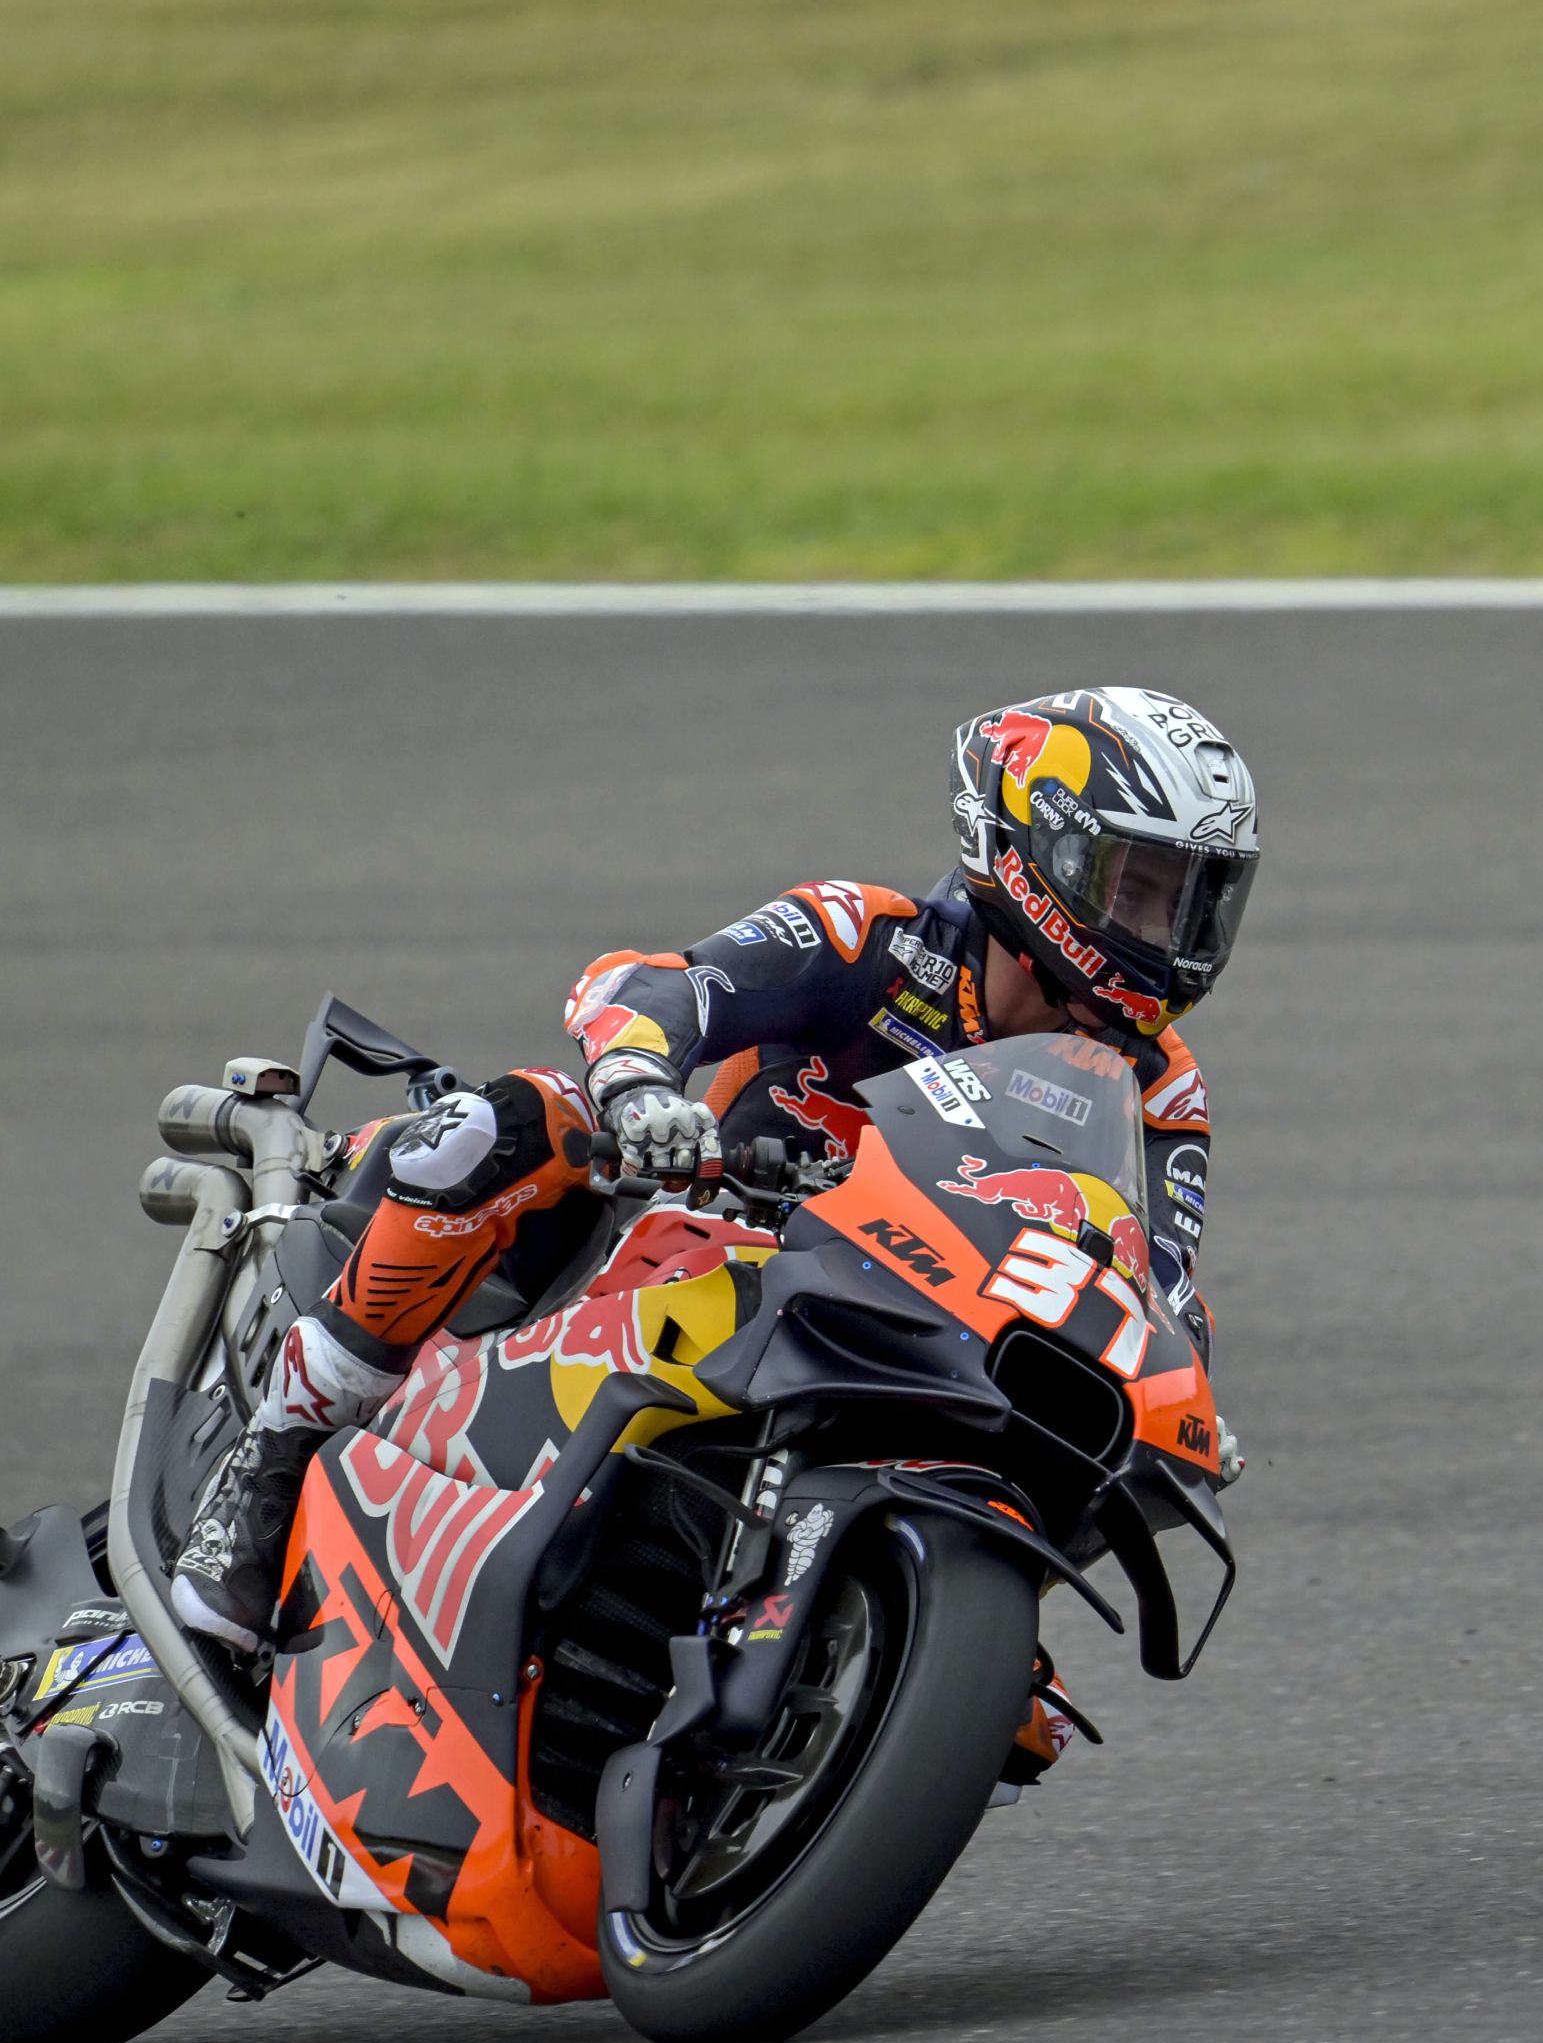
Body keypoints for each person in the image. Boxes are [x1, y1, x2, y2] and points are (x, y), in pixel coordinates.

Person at [172, 689, 1259, 1649]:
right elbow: (654, 987)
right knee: (516, 1120)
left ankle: (935, 1617)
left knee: (1116, 1422)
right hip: (692, 1253)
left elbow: (1150, 1275)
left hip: (906, 1329)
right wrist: (643, 1091)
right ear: (1036, 850)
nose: (1174, 931)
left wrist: (1178, 1388)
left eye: (1197, 899)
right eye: (1143, 888)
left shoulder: (1162, 1091)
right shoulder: (867, 936)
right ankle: (275, 1456)